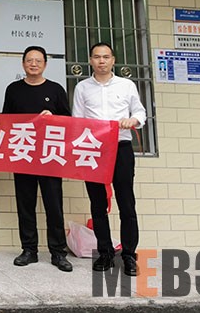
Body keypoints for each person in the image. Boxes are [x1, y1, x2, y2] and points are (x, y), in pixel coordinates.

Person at [73, 42, 146, 277]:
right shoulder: (82, 87)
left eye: (106, 57)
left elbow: (140, 112)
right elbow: (77, 120)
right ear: (90, 60)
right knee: (97, 204)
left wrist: (133, 120)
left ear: (113, 60)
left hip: (121, 148)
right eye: (97, 57)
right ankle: (104, 253)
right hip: (94, 150)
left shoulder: (126, 85)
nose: (101, 61)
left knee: (127, 203)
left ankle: (129, 255)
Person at [3, 46, 72, 272]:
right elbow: (6, 121)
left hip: (50, 156)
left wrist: (54, 117)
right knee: (25, 204)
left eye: (38, 60)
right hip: (23, 154)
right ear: (23, 63)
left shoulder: (56, 89)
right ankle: (29, 250)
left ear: (45, 64)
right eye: (29, 60)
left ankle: (58, 252)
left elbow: (69, 121)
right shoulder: (13, 89)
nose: (33, 64)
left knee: (54, 205)